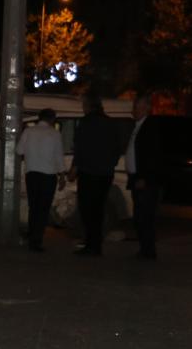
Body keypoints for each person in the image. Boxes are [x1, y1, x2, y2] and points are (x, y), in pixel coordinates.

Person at [67, 93, 123, 256]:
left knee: (87, 209)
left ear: (88, 106)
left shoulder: (86, 123)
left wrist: (74, 168)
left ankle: (91, 243)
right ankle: (95, 244)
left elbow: (80, 148)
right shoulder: (110, 123)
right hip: (105, 173)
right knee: (98, 208)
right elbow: (117, 148)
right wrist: (110, 164)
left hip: (89, 172)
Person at [18, 109, 65, 252]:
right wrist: (62, 176)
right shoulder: (54, 134)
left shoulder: (28, 131)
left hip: (32, 174)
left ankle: (32, 235)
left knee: (33, 207)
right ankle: (37, 240)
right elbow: (59, 157)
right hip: (48, 176)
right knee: (43, 209)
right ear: (52, 119)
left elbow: (19, 151)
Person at [125, 93, 163, 260]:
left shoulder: (150, 127)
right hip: (137, 178)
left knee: (145, 216)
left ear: (146, 108)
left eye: (137, 107)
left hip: (145, 181)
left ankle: (148, 250)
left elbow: (152, 156)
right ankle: (145, 248)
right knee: (140, 215)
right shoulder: (138, 126)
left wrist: (144, 177)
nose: (133, 110)